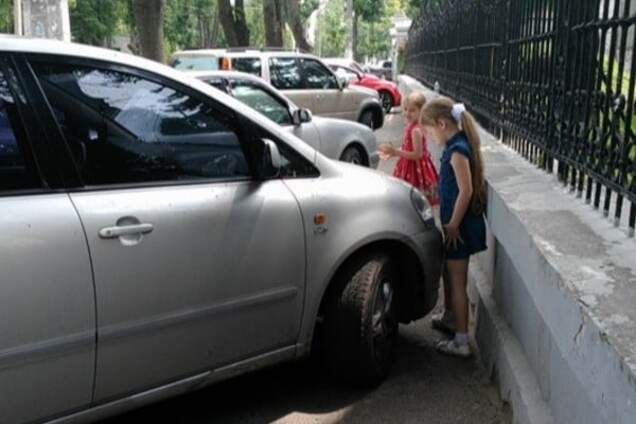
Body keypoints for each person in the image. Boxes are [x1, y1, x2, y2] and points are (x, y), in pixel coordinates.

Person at [419, 97, 487, 358]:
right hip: (456, 226)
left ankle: (461, 341)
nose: (429, 135)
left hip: (459, 228)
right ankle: (451, 319)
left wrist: (454, 225)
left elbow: (466, 190)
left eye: (429, 130)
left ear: (442, 123)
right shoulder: (455, 145)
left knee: (458, 283)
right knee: (450, 275)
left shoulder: (457, 149)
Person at [378, 92, 439, 206]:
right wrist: (392, 152)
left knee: (413, 196)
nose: (407, 113)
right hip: (407, 164)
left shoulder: (415, 130)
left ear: (421, 111)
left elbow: (417, 154)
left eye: (412, 110)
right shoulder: (411, 126)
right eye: (405, 109)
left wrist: (395, 152)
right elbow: (408, 147)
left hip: (415, 168)